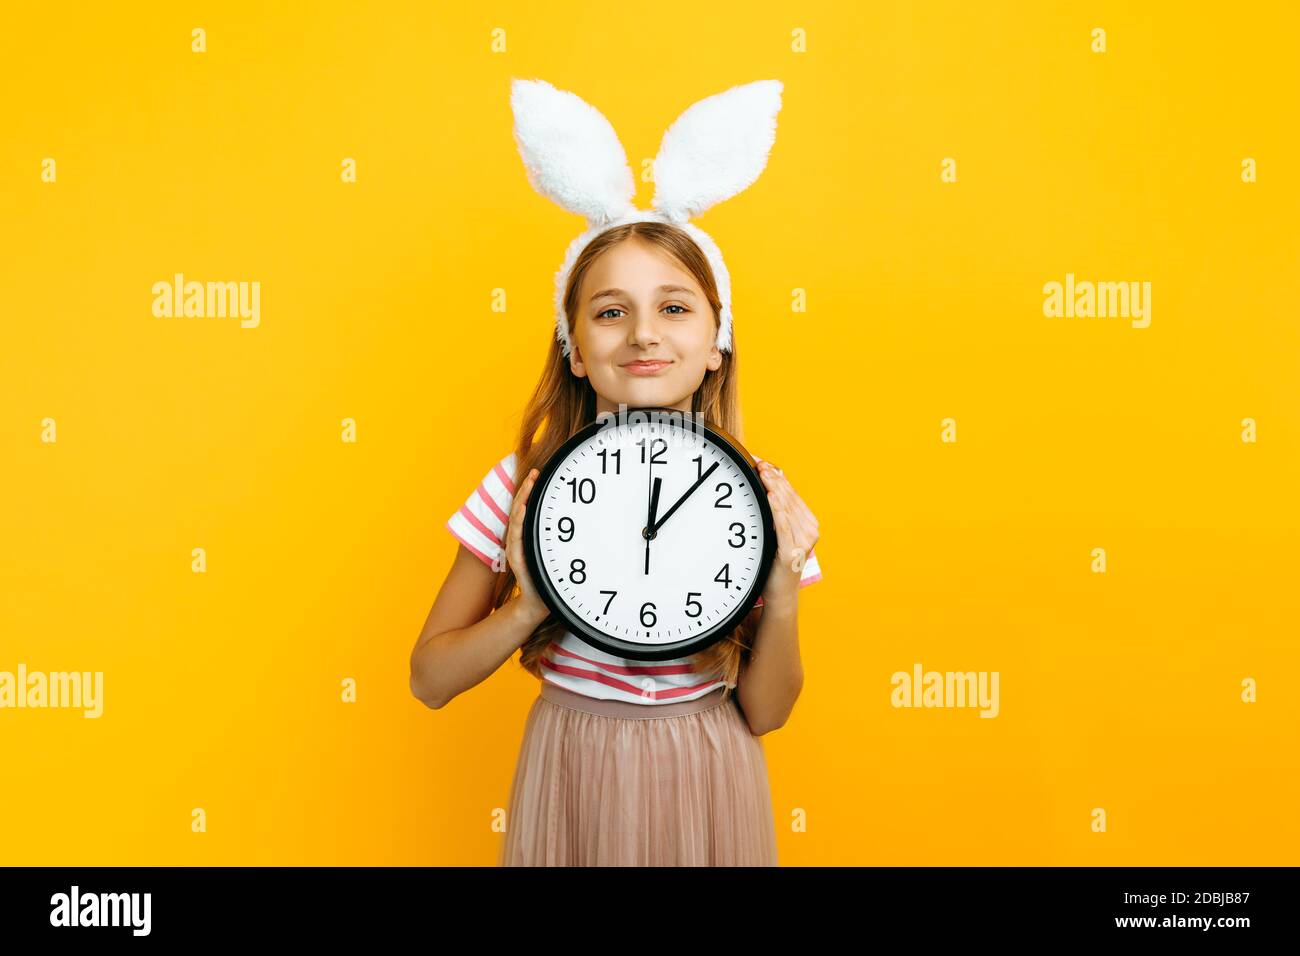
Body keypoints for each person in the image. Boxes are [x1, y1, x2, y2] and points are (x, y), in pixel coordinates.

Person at [409, 77, 822, 865]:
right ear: (573, 343)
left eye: (674, 308)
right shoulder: (520, 485)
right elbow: (430, 679)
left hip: (709, 773)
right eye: (609, 311)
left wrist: (783, 584)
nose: (642, 335)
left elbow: (767, 713)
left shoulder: (760, 496)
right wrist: (527, 607)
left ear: (716, 343)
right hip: (574, 767)